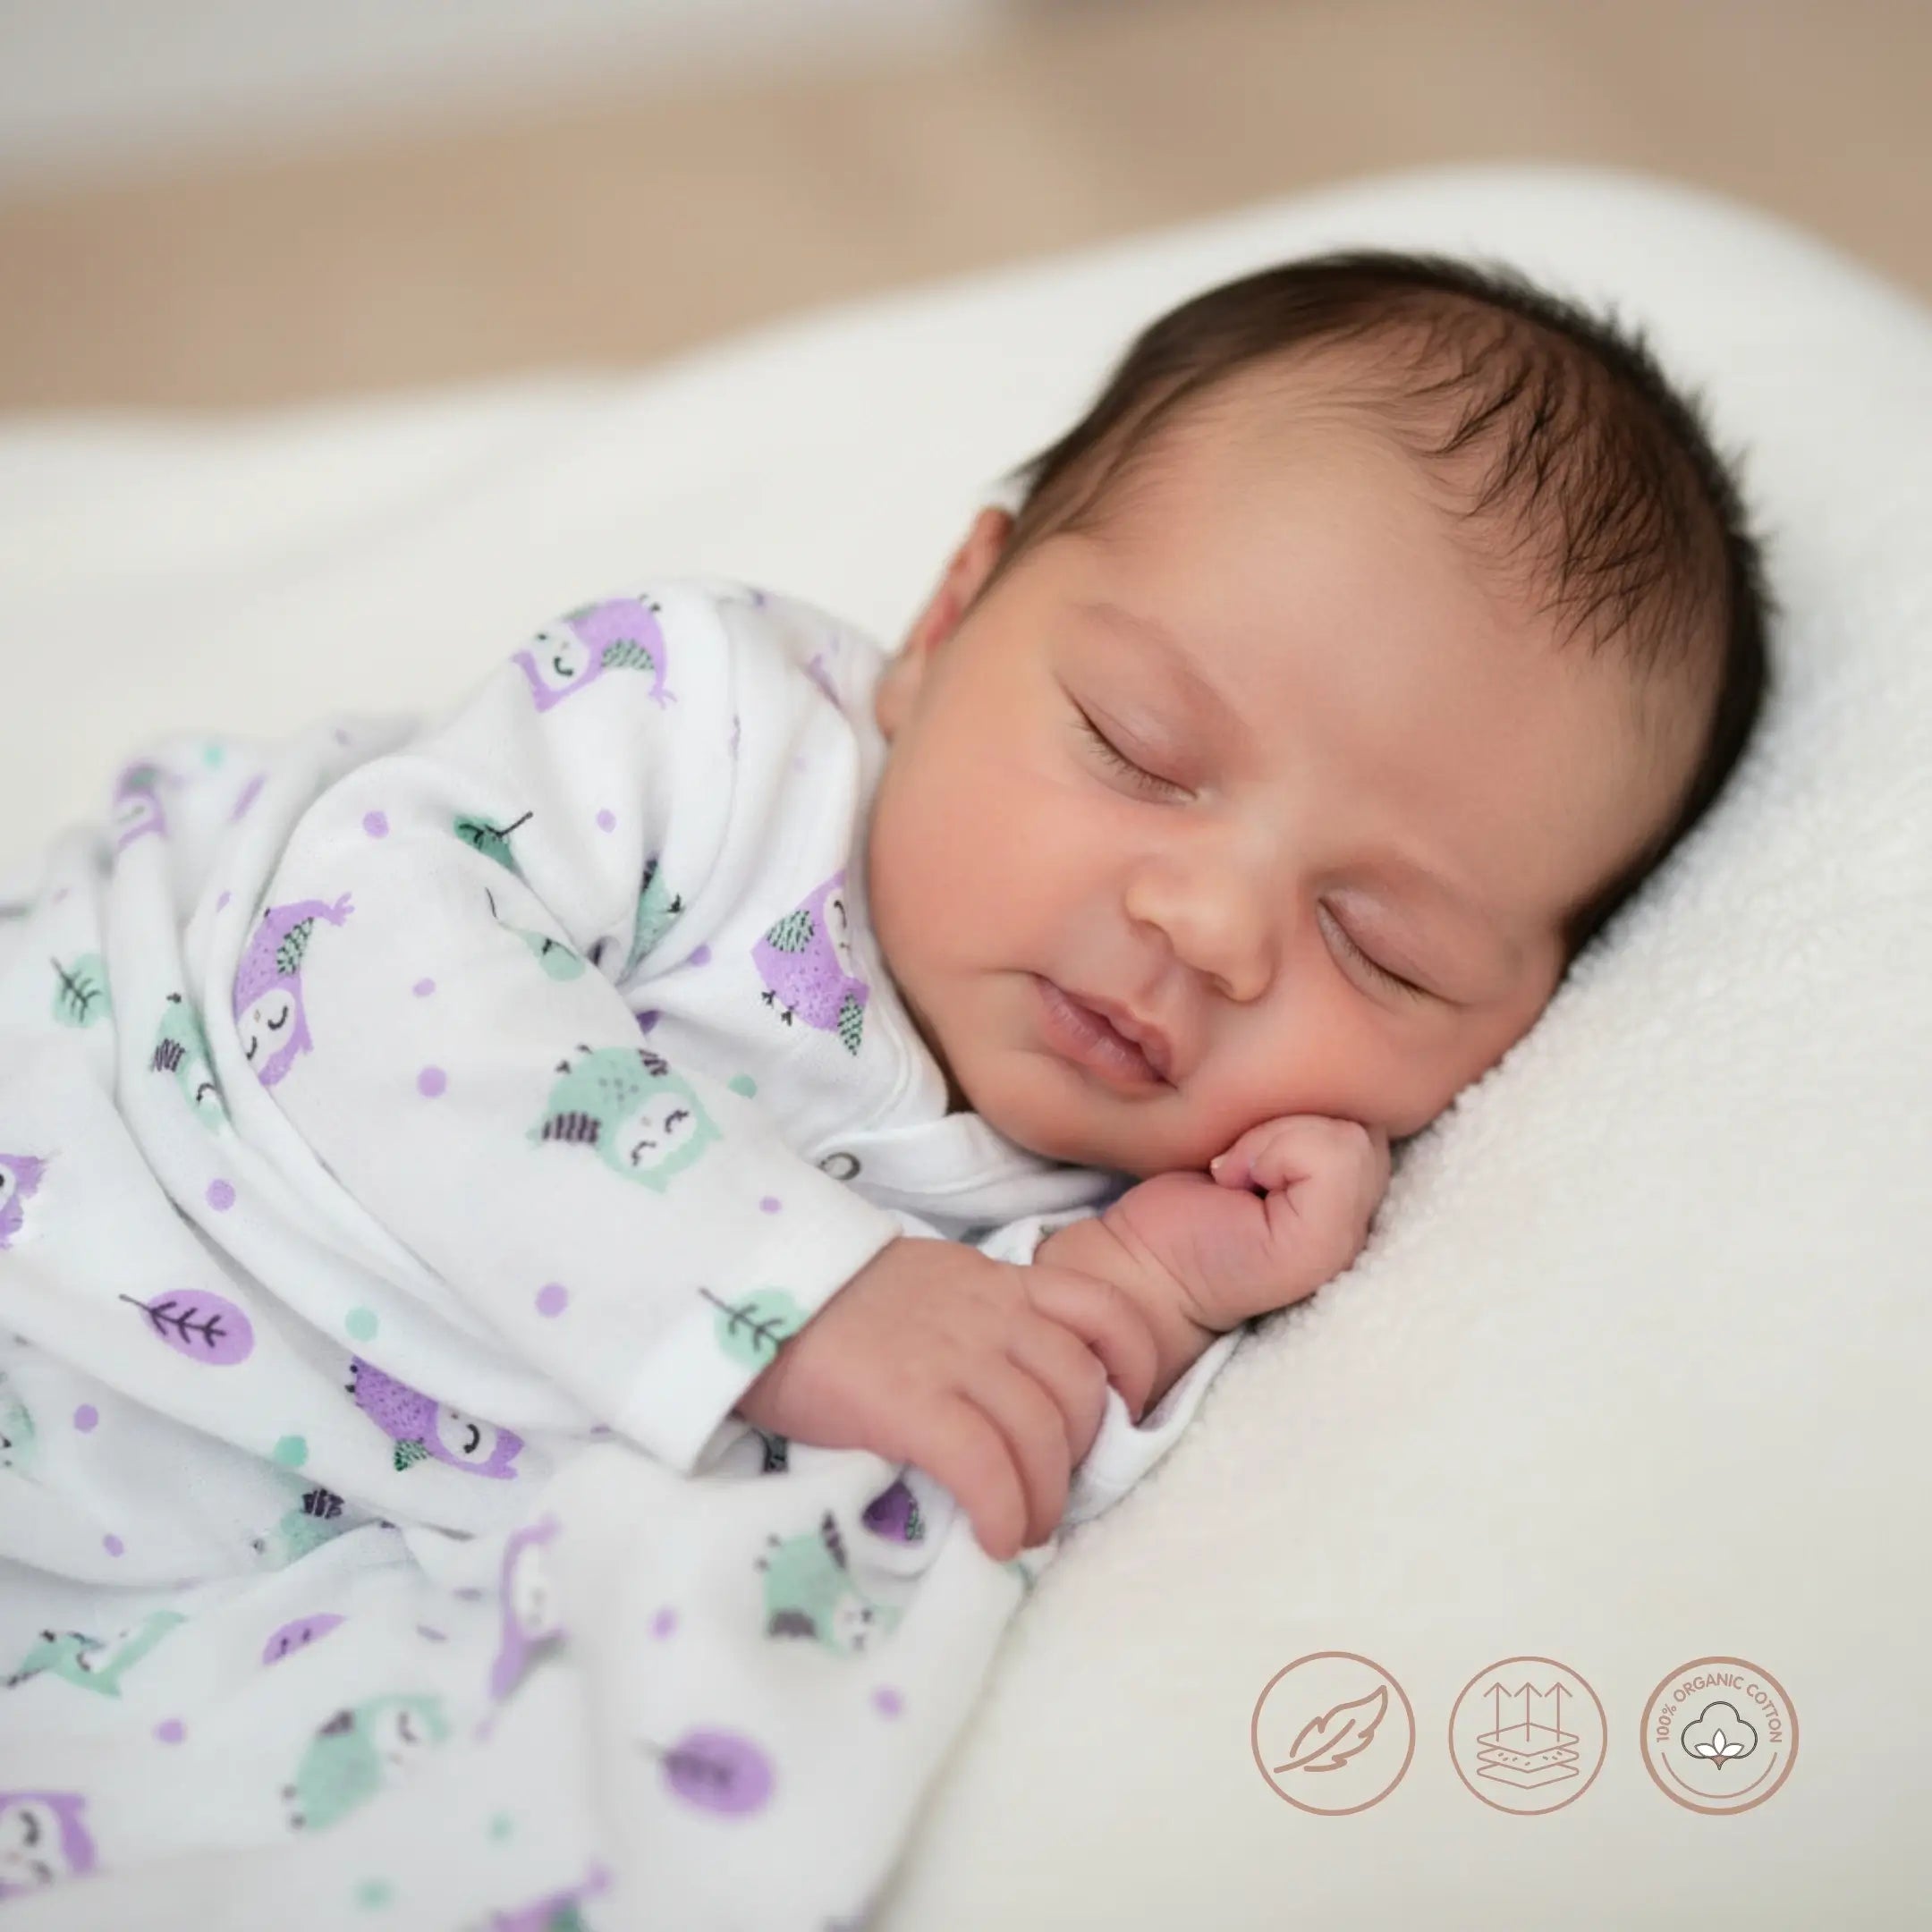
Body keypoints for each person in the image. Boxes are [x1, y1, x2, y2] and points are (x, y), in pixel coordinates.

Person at [0, 249, 1771, 1919]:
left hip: (181, 1558)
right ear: (949, 617)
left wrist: (1147, 1293)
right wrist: (791, 1287)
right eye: (1140, 752)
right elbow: (367, 945)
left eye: (1380, 946)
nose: (1212, 927)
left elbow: (967, 1441)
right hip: (81, 1170)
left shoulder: (1139, 1191)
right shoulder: (710, 738)